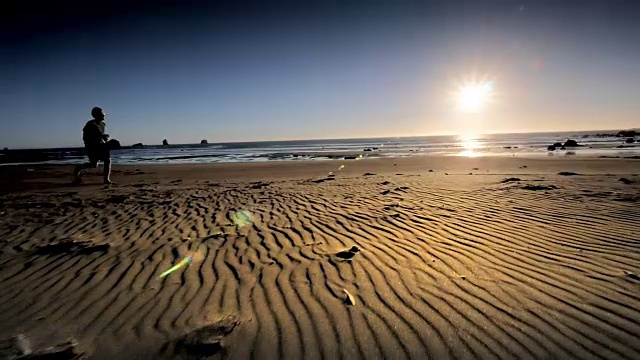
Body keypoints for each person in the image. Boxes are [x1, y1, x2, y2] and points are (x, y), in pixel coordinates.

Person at [74, 107, 113, 184]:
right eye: (102, 114)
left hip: (101, 145)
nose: (103, 116)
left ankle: (106, 179)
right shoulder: (90, 124)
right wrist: (99, 138)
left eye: (103, 114)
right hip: (92, 147)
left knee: (107, 160)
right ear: (96, 115)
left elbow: (102, 135)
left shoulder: (103, 124)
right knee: (93, 164)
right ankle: (78, 169)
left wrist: (105, 137)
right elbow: (86, 137)